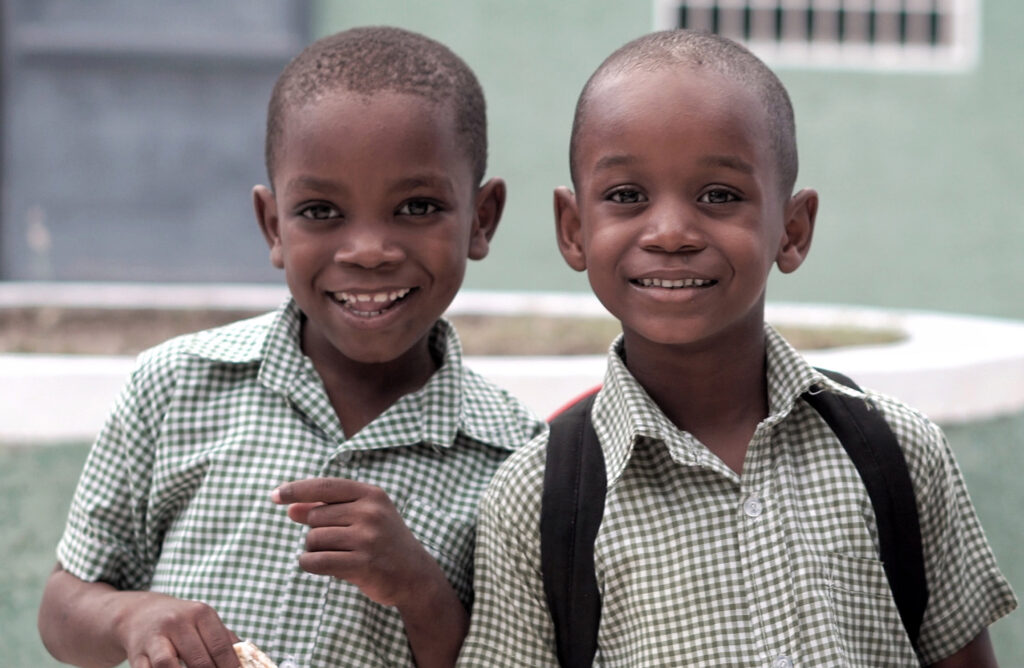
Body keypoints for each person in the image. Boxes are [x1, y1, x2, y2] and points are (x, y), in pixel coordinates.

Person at [458, 29, 1016, 667]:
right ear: (574, 229)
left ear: (793, 229)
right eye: (627, 197)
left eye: (719, 196)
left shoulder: (896, 452)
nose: (670, 233)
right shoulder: (538, 498)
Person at [38, 26, 544, 668]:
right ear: (273, 225)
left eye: (416, 207)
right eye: (321, 211)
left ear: (483, 218)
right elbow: (62, 606)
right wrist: (132, 618)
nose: (367, 250)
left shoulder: (516, 457)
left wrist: (421, 590)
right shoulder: (176, 386)